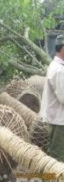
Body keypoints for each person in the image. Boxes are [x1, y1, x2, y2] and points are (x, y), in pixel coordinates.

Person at [40, 34, 64, 162]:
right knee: (58, 156)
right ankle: (54, 181)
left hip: (57, 119)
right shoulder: (59, 70)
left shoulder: (58, 66)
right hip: (59, 121)